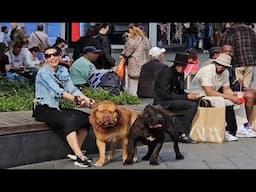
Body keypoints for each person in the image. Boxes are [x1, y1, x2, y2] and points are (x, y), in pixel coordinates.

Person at [32, 47, 96, 168]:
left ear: (60, 56)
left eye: (55, 54)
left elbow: (71, 88)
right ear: (45, 59)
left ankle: (76, 151)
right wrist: (76, 99)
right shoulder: (43, 73)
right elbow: (57, 91)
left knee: (87, 119)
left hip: (56, 107)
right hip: (43, 109)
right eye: (48, 56)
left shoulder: (62, 70)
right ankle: (79, 156)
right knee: (69, 120)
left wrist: (87, 99)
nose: (52, 58)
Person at [188, 53, 241, 141]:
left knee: (237, 101)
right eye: (219, 64)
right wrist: (230, 97)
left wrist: (234, 96)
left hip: (212, 94)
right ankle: (223, 129)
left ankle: (239, 127)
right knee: (220, 101)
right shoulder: (207, 70)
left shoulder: (226, 72)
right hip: (198, 94)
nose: (220, 67)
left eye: (223, 66)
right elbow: (209, 92)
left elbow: (226, 89)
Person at [153, 53, 201, 143]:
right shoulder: (167, 74)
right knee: (191, 106)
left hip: (173, 99)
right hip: (164, 101)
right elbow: (165, 95)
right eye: (179, 65)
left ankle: (180, 129)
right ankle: (182, 133)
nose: (181, 68)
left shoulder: (181, 74)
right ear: (175, 64)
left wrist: (190, 95)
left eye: (183, 66)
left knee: (196, 102)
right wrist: (186, 96)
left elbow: (180, 91)